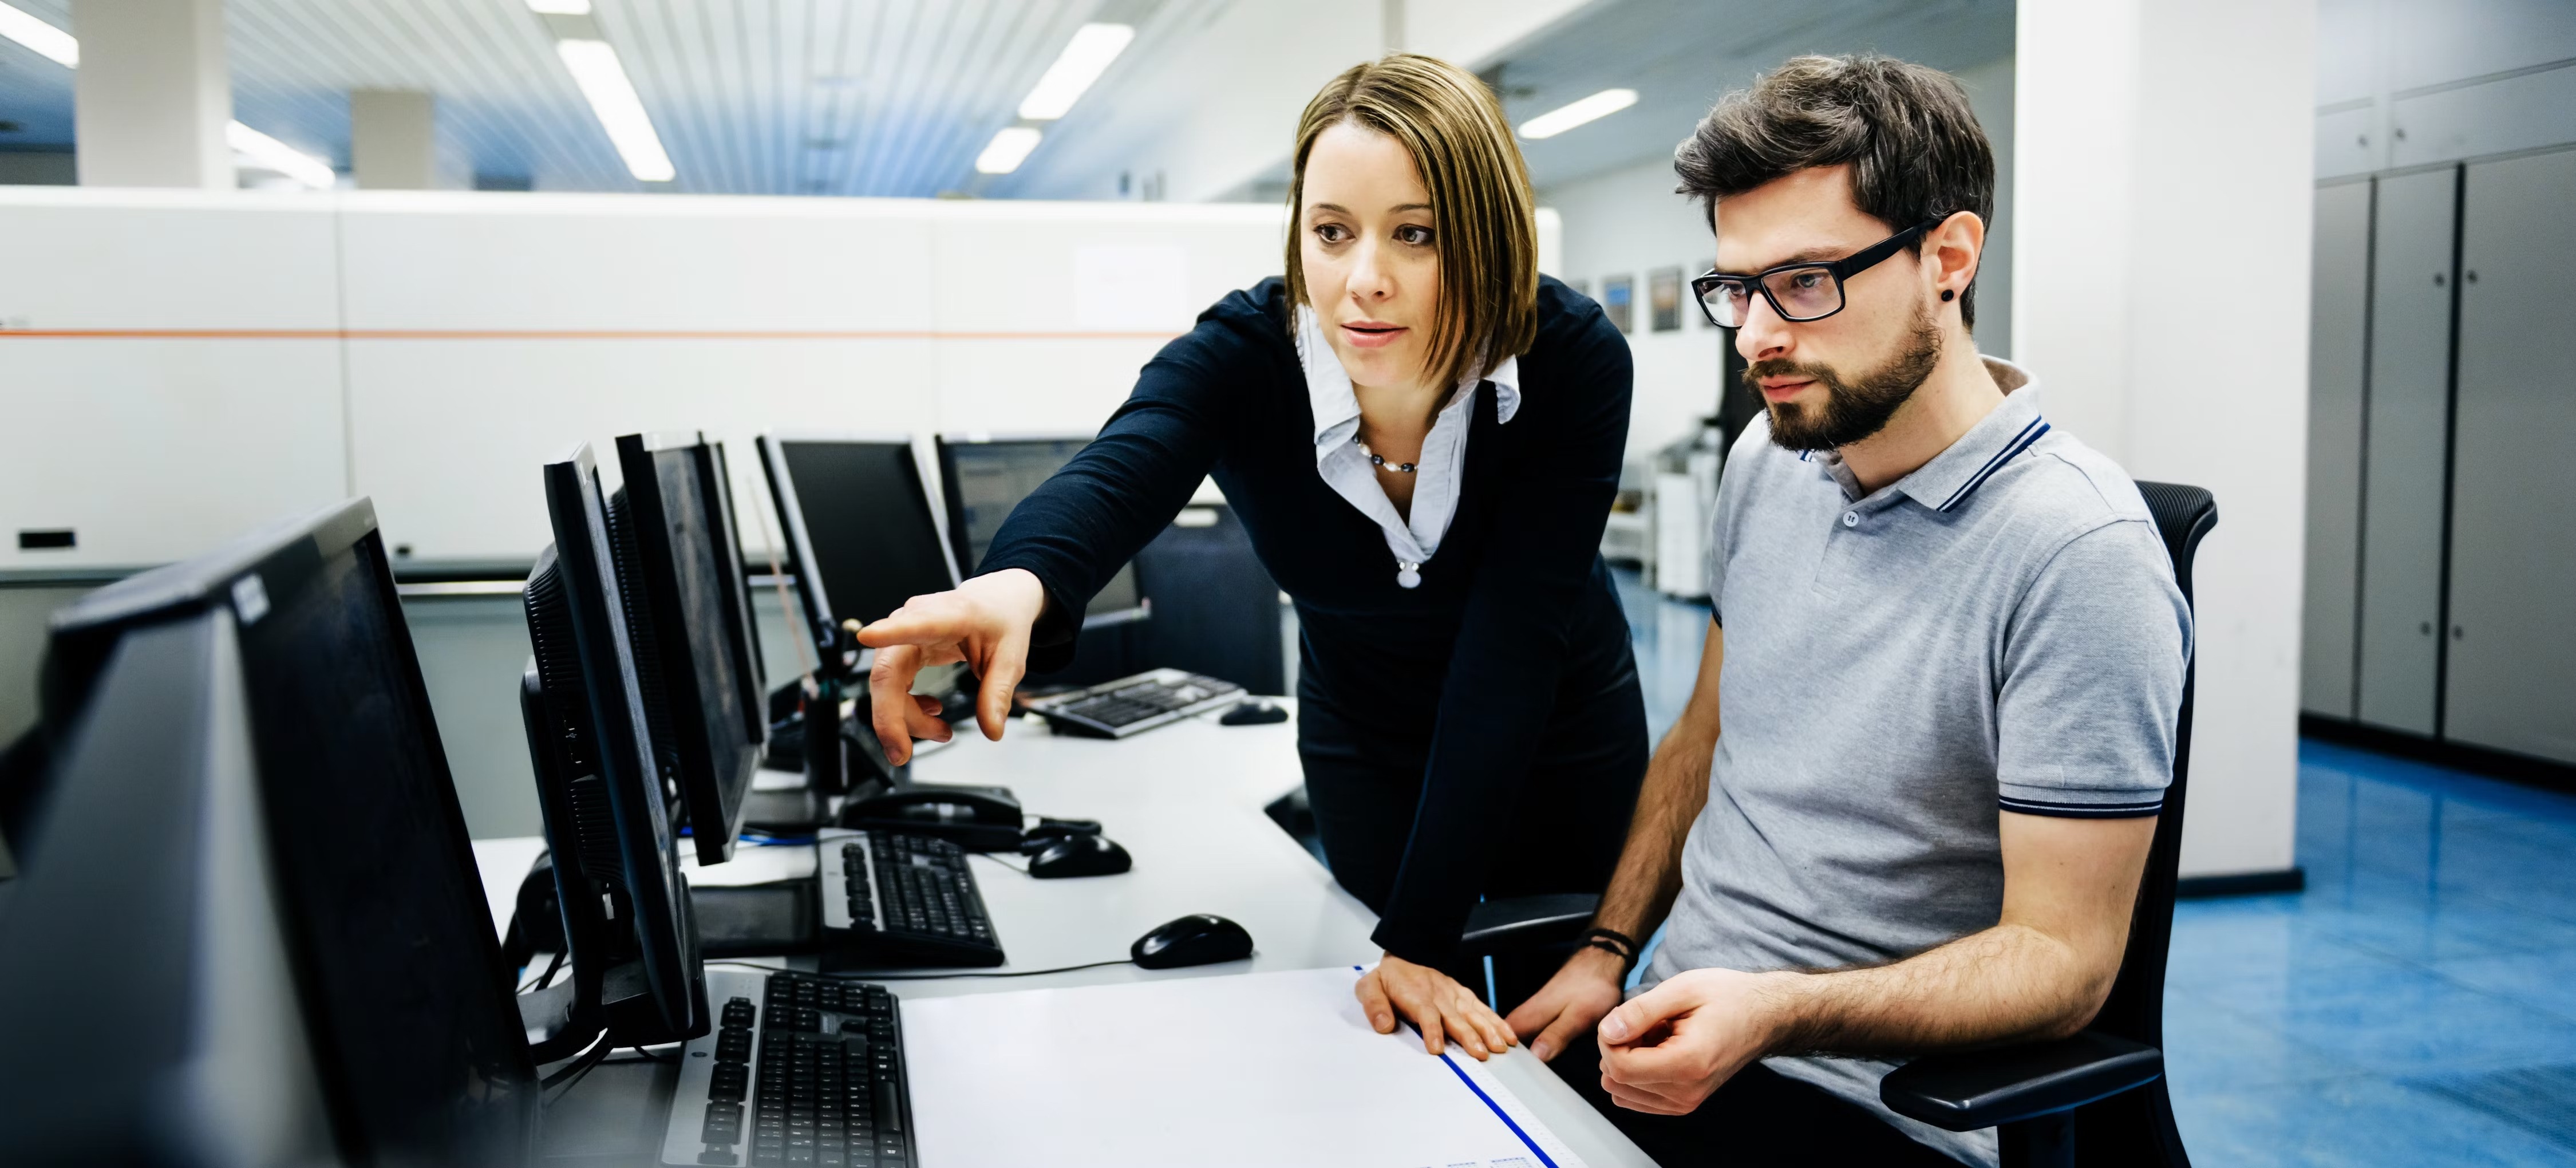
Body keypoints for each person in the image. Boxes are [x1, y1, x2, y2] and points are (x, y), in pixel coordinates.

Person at [856, 53, 1648, 1060]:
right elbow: (1122, 466)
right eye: (1332, 232)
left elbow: (1514, 646)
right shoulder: (1244, 355)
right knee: (1399, 1034)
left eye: (1417, 234)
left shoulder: (1571, 358)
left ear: (1486, 236)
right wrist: (1018, 583)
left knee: (1552, 1037)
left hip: (1553, 728)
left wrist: (1424, 933)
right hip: (1363, 730)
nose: (1362, 279)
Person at [1501, 54, 2191, 1167]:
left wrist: (1778, 1009)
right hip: (1674, 1030)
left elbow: (2065, 966)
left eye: (1807, 282)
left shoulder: (2079, 553)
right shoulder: (1770, 462)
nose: (1755, 337)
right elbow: (1708, 734)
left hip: (1877, 1102)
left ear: (1948, 261)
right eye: (1737, 287)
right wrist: (1607, 948)